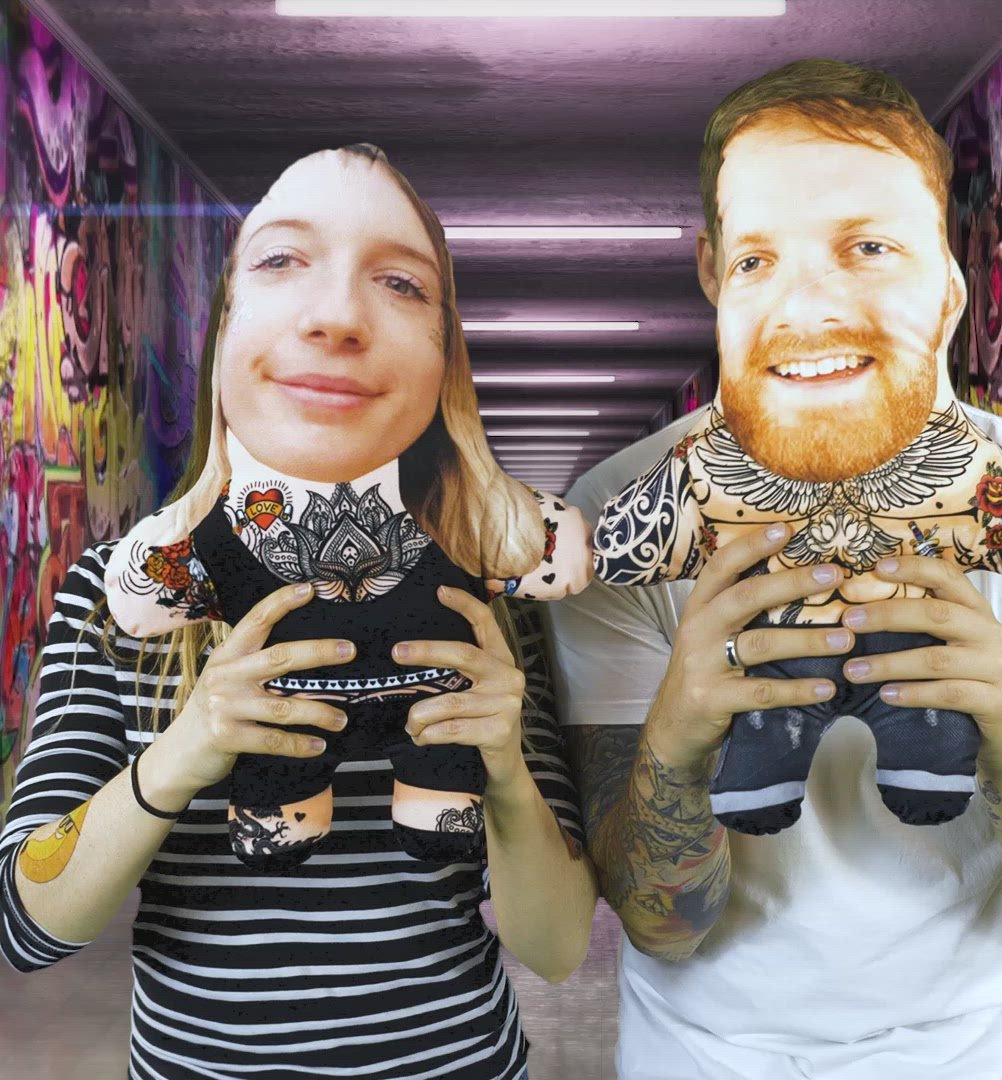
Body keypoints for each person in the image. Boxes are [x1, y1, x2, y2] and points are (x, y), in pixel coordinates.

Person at [0, 144, 597, 1080]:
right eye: (281, 260)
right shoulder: (118, 593)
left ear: (443, 358)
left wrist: (507, 775)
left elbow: (557, 949)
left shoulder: (478, 589)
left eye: (400, 283)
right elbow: (29, 926)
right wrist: (193, 743)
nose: (337, 317)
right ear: (224, 323)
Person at [548, 59, 1002, 1080]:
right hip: (703, 1059)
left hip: (983, 1056)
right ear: (713, 275)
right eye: (759, 259)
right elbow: (661, 923)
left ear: (951, 280)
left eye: (868, 247)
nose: (809, 305)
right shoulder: (629, 511)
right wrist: (679, 736)